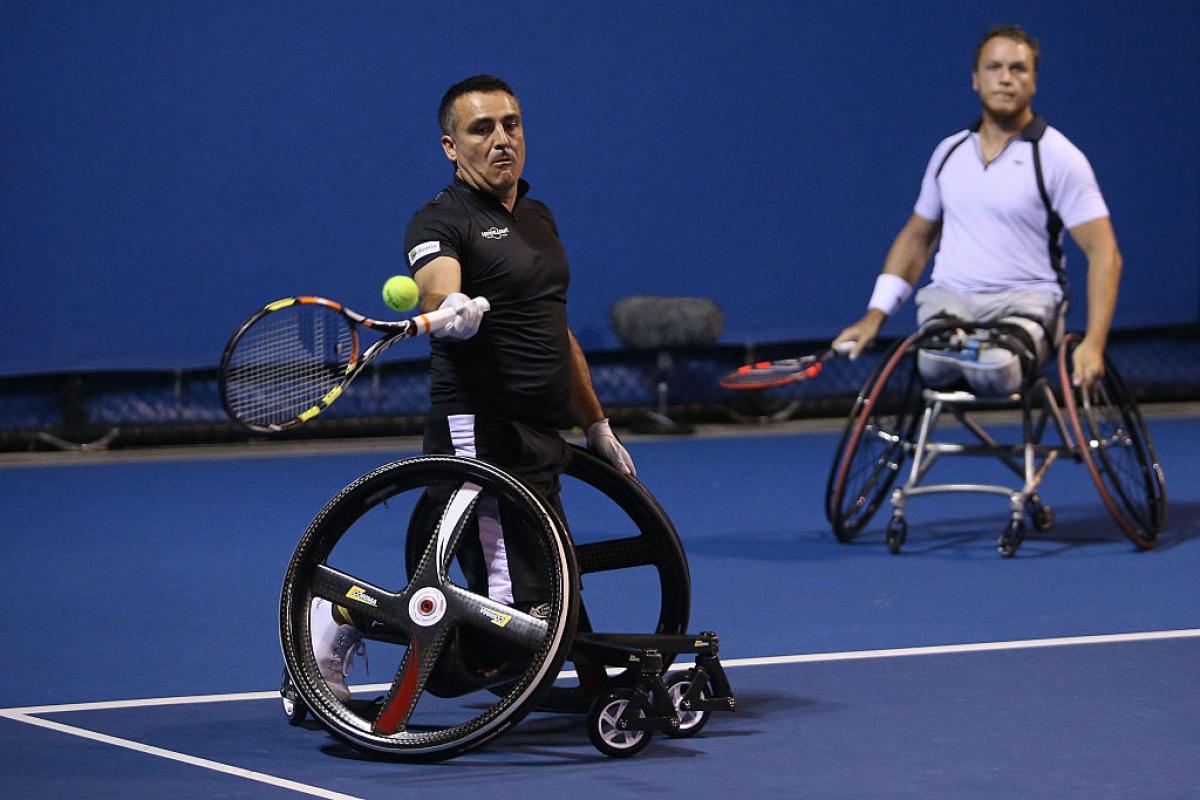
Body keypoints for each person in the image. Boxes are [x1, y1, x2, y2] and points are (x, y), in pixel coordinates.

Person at [313, 75, 636, 700]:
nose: (501, 139)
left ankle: (382, 625)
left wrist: (596, 423)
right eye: (481, 129)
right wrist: (452, 308)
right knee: (519, 625)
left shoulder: (539, 217)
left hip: (542, 435)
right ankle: (344, 616)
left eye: (511, 124)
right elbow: (438, 288)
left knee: (548, 596)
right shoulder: (440, 220)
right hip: (479, 435)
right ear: (450, 146)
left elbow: (556, 328)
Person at [833, 25, 1122, 392]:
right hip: (951, 301)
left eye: (1018, 69)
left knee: (994, 371)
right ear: (975, 79)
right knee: (932, 367)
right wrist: (875, 316)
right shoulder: (948, 154)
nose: (1005, 79)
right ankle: (959, 349)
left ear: (1033, 81)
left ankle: (978, 354)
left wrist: (1094, 343)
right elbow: (916, 239)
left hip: (1027, 305)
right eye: (994, 67)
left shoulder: (1059, 159)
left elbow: (1105, 253)